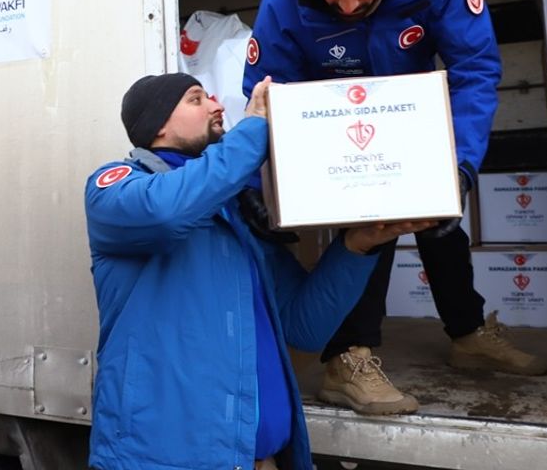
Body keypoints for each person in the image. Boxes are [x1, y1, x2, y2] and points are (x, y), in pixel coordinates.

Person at [243, 0, 547, 416]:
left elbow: (474, 67)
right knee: (369, 226)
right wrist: (256, 187)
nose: (346, 4)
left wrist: (460, 166)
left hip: (411, 111)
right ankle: (348, 358)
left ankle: (469, 334)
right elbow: (263, 99)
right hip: (333, 119)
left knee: (439, 215)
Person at [84, 72, 431, 470]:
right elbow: (165, 212)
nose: (217, 107)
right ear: (157, 124)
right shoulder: (115, 190)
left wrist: (357, 245)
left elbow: (304, 327)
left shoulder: (235, 218)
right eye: (197, 100)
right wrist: (253, 129)